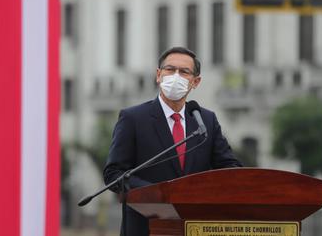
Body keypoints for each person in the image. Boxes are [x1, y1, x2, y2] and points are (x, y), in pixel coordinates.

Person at [103, 46, 242, 235]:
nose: (175, 76)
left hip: (194, 225)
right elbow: (113, 174)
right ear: (158, 75)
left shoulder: (205, 120)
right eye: (170, 69)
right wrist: (159, 193)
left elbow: (230, 169)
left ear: (196, 81)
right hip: (146, 227)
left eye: (184, 72)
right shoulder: (133, 118)